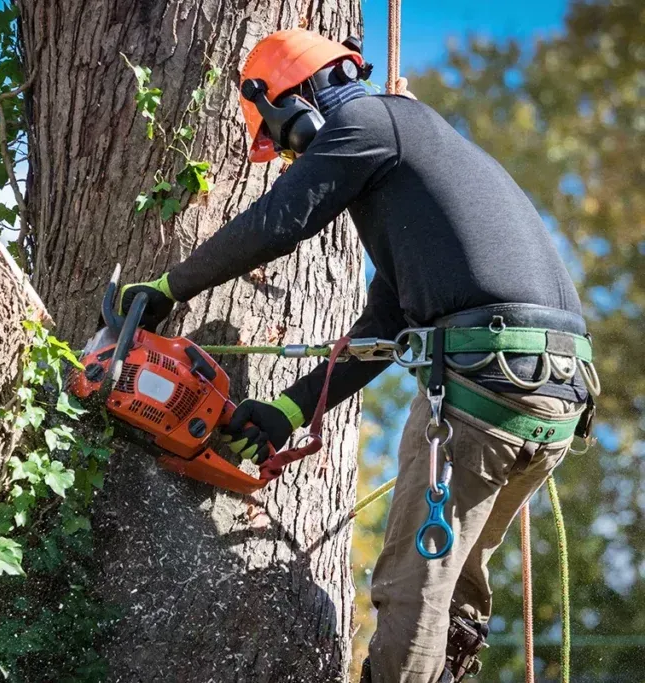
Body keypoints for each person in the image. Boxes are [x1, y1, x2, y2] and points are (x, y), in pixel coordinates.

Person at [118, 29, 597, 683]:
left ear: (298, 103)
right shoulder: (413, 165)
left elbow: (281, 220)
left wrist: (167, 288)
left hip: (489, 389)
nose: (292, 162)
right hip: (552, 395)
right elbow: (384, 327)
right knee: (451, 590)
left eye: (285, 142)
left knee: (410, 591)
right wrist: (287, 410)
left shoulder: (371, 120)